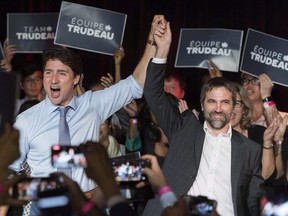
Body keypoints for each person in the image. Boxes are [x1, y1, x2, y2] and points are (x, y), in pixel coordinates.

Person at [9, 15, 165, 215]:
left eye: (61, 73)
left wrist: (151, 41)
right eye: (48, 72)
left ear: (76, 79)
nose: (53, 79)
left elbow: (135, 85)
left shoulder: (92, 104)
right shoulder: (26, 120)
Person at [143, 17, 263, 216]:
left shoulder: (250, 150)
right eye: (212, 101)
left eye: (224, 102)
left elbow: (253, 203)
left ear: (233, 107)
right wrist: (162, 50)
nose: (218, 108)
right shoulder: (184, 129)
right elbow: (152, 94)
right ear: (202, 104)